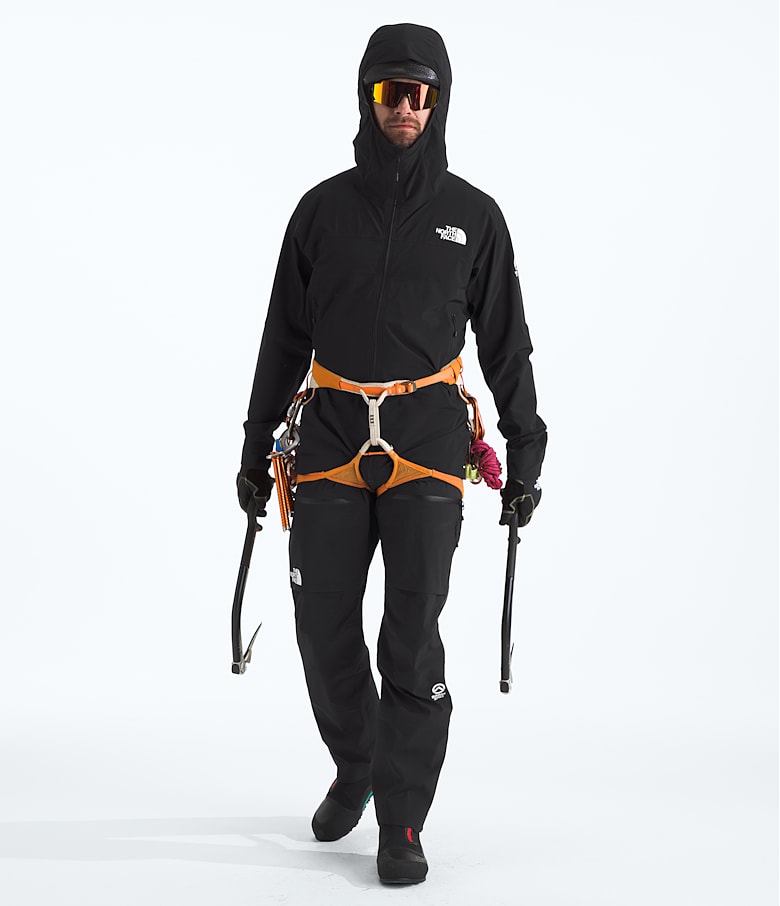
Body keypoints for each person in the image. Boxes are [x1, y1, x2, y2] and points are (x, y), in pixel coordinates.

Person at [237, 22, 547, 885]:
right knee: (321, 625)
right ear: (366, 98)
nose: (404, 107)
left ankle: (402, 818)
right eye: (389, 91)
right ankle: (359, 762)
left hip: (428, 442)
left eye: (420, 93)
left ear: (439, 102)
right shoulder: (320, 212)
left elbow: (507, 344)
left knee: (410, 637)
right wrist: (255, 447)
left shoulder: (474, 218)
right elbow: (282, 338)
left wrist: (526, 451)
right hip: (331, 436)